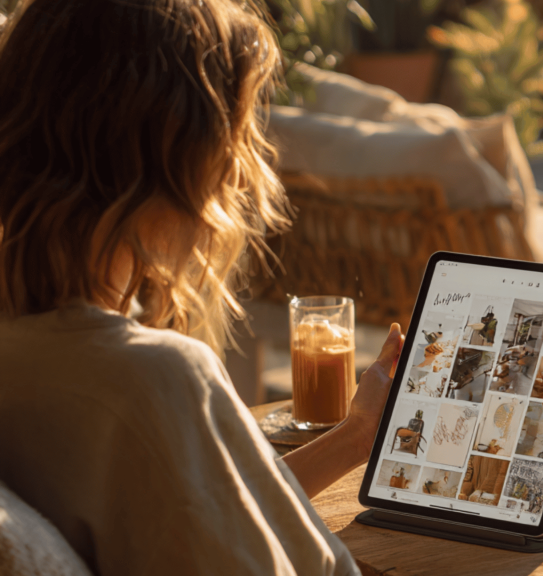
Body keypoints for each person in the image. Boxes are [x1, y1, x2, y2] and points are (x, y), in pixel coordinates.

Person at [0, 1, 404, 574]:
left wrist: (358, 434)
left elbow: (201, 505)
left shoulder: (37, 346)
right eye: (238, 136)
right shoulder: (150, 379)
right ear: (182, 160)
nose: (245, 171)